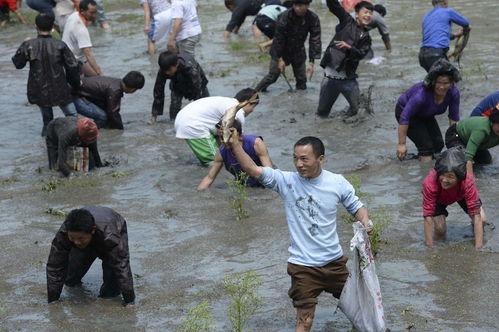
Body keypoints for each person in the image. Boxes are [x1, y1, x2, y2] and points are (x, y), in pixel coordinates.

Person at [225, 134, 373, 331]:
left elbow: (356, 206)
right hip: (303, 266)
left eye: (304, 159)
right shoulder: (286, 182)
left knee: (358, 311)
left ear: (321, 159)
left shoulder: (337, 182)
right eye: (295, 158)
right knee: (305, 320)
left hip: (335, 264)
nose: (299, 164)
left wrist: (365, 221)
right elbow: (253, 169)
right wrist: (235, 145)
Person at [46, 206, 135, 306]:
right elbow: (55, 266)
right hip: (89, 235)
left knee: (111, 290)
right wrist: (53, 300)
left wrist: (130, 301)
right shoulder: (64, 233)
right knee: (71, 280)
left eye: (80, 238)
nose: (76, 242)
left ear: (93, 230)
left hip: (110, 229)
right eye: (72, 238)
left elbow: (121, 266)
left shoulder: (110, 237)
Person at [12, 13, 80, 136]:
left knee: (47, 121)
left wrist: (23, 45)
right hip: (60, 88)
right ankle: (74, 140)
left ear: (36, 27)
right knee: (72, 116)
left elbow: (18, 64)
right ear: (52, 27)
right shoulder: (60, 45)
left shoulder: (29, 45)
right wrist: (75, 84)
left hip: (39, 89)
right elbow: (73, 66)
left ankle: (48, 146)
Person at [395, 59, 461, 162]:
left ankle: (427, 163)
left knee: (438, 144)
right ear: (433, 81)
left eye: (446, 83)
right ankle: (425, 172)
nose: (442, 87)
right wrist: (402, 144)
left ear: (451, 82)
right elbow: (404, 117)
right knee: (426, 147)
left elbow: (454, 118)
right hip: (406, 113)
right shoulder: (421, 95)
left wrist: (455, 140)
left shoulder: (454, 93)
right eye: (438, 82)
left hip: (425, 114)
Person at [316, 0, 372, 120]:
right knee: (322, 113)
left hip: (348, 79)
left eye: (370, 13)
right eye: (365, 12)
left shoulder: (367, 38)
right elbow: (333, 5)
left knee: (361, 112)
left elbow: (361, 54)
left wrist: (349, 47)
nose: (368, 15)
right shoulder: (347, 21)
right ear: (357, 14)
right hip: (331, 78)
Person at [174, 88, 259, 165]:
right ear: (248, 103)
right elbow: (238, 141)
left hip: (184, 118)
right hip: (193, 125)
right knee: (216, 162)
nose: (252, 111)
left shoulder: (227, 102)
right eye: (253, 107)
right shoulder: (238, 112)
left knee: (221, 152)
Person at [422, 147, 484, 249]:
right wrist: (430, 248)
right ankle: (440, 246)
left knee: (483, 220)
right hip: (439, 198)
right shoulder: (430, 183)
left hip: (461, 194)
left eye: (450, 176)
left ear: (460, 177)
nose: (445, 180)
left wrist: (478, 249)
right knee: (440, 229)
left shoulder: (467, 182)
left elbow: (477, 216)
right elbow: (427, 216)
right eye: (442, 175)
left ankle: (475, 236)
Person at [254, 0, 321, 92]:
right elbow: (278, 39)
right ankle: (255, 93)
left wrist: (311, 62)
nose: (298, 8)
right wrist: (280, 59)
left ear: (307, 5)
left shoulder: (313, 18)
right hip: (281, 50)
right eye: (296, 5)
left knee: (301, 79)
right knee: (272, 76)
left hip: (298, 49)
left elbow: (315, 40)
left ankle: (300, 101)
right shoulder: (285, 16)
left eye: (301, 5)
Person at [197, 119, 273, 190]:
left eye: (227, 136)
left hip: (263, 179)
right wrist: (199, 194)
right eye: (220, 136)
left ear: (238, 134)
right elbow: (209, 178)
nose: (223, 140)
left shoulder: (255, 143)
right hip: (245, 184)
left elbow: (270, 174)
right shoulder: (221, 152)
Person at [73, 71, 145, 129]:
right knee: (103, 117)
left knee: (107, 117)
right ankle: (85, 133)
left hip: (79, 93)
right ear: (132, 89)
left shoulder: (117, 82)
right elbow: (113, 112)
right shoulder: (115, 90)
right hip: (74, 97)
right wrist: (120, 130)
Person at [151, 51, 209, 122]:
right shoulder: (164, 69)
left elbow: (198, 88)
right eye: (165, 71)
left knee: (205, 105)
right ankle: (174, 123)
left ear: (177, 64)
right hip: (177, 84)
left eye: (169, 70)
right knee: (174, 106)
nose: (167, 73)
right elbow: (158, 90)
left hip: (197, 84)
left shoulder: (190, 68)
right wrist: (154, 115)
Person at [419, 0, 470, 72]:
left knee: (437, 81)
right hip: (436, 54)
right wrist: (467, 29)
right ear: (445, 2)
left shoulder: (426, 16)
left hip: (422, 56)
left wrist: (455, 35)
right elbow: (465, 22)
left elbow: (436, 34)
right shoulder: (448, 11)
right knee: (453, 78)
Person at [445, 109, 499, 176]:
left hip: (477, 142)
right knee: (461, 163)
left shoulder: (495, 129)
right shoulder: (482, 129)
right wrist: (470, 180)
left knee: (486, 162)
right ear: (492, 122)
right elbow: (468, 157)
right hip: (455, 135)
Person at [62, 0, 102, 77]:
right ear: (82, 11)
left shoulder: (74, 15)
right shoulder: (81, 30)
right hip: (75, 59)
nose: (94, 15)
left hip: (66, 55)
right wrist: (99, 73)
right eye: (91, 13)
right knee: (97, 79)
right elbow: (88, 54)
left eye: (95, 12)